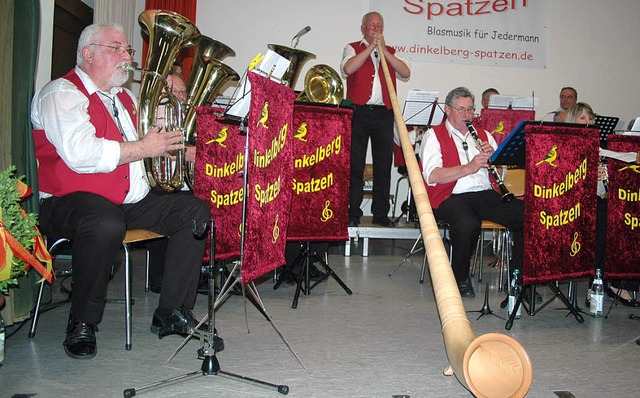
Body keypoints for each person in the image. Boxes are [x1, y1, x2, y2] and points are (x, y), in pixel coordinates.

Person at [31, 23, 220, 359]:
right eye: (116, 48)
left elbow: (146, 147)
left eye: (127, 50)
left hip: (126, 201)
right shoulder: (62, 93)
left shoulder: (126, 98)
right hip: (67, 202)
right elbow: (82, 155)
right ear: (88, 53)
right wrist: (147, 147)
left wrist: (176, 148)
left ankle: (172, 310)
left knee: (193, 211)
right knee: (104, 222)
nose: (126, 56)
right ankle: (82, 321)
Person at [419, 87, 525, 298]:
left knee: (527, 216)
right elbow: (433, 176)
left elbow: (499, 176)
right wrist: (469, 167)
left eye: (470, 109)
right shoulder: (433, 135)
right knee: (468, 223)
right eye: (462, 110)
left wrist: (495, 161)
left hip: (485, 194)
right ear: (448, 110)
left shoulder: (485, 136)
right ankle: (460, 277)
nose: (468, 115)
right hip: (451, 195)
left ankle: (519, 279)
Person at [564, 103, 640, 307]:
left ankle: (618, 281)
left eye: (590, 118)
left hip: (597, 201)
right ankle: (595, 284)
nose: (588, 122)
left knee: (626, 215)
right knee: (603, 218)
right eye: (583, 118)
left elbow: (604, 188)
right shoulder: (564, 144)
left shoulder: (600, 146)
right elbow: (563, 184)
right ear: (572, 120)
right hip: (571, 206)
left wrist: (607, 175)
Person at [341, 11, 411, 228]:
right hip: (358, 111)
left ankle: (380, 214)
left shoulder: (391, 52)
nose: (376, 29)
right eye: (372, 26)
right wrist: (371, 47)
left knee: (383, 165)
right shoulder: (352, 47)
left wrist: (383, 51)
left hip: (383, 113)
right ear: (363, 28)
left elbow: (406, 73)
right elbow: (347, 68)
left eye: (379, 26)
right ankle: (353, 212)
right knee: (356, 164)